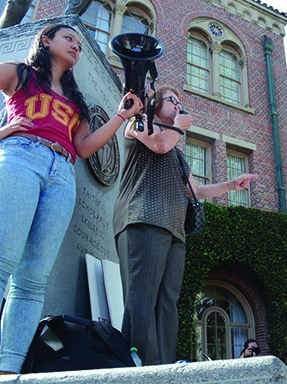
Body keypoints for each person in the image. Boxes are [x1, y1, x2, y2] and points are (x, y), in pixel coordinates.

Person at [0, 23, 142, 377]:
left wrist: (121, 116)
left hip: (61, 173)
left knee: (33, 278)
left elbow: (84, 147)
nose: (76, 46)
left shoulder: (76, 99)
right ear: (46, 40)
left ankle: (9, 368)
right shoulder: (20, 73)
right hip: (20, 157)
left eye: (79, 44)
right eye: (69, 38)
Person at [113, 85, 257, 366]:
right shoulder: (138, 123)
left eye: (180, 103)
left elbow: (195, 191)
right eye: (172, 101)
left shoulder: (178, 153)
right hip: (143, 218)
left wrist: (232, 184)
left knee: (168, 303)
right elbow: (160, 144)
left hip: (175, 230)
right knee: (142, 297)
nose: (178, 106)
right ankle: (138, 367)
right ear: (154, 104)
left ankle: (164, 368)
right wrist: (178, 127)